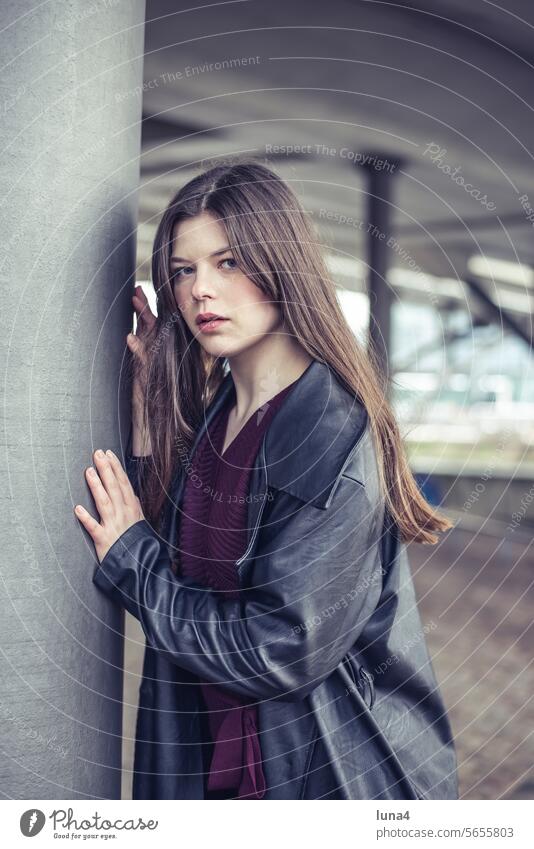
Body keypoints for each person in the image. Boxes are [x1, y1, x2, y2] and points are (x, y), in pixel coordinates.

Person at [75, 159, 458, 800]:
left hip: (318, 786)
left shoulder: (330, 434)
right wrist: (148, 412)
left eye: (228, 263)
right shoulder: (224, 415)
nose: (201, 291)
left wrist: (131, 563)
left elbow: (278, 648)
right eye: (184, 270)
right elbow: (186, 556)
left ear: (279, 265)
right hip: (220, 769)